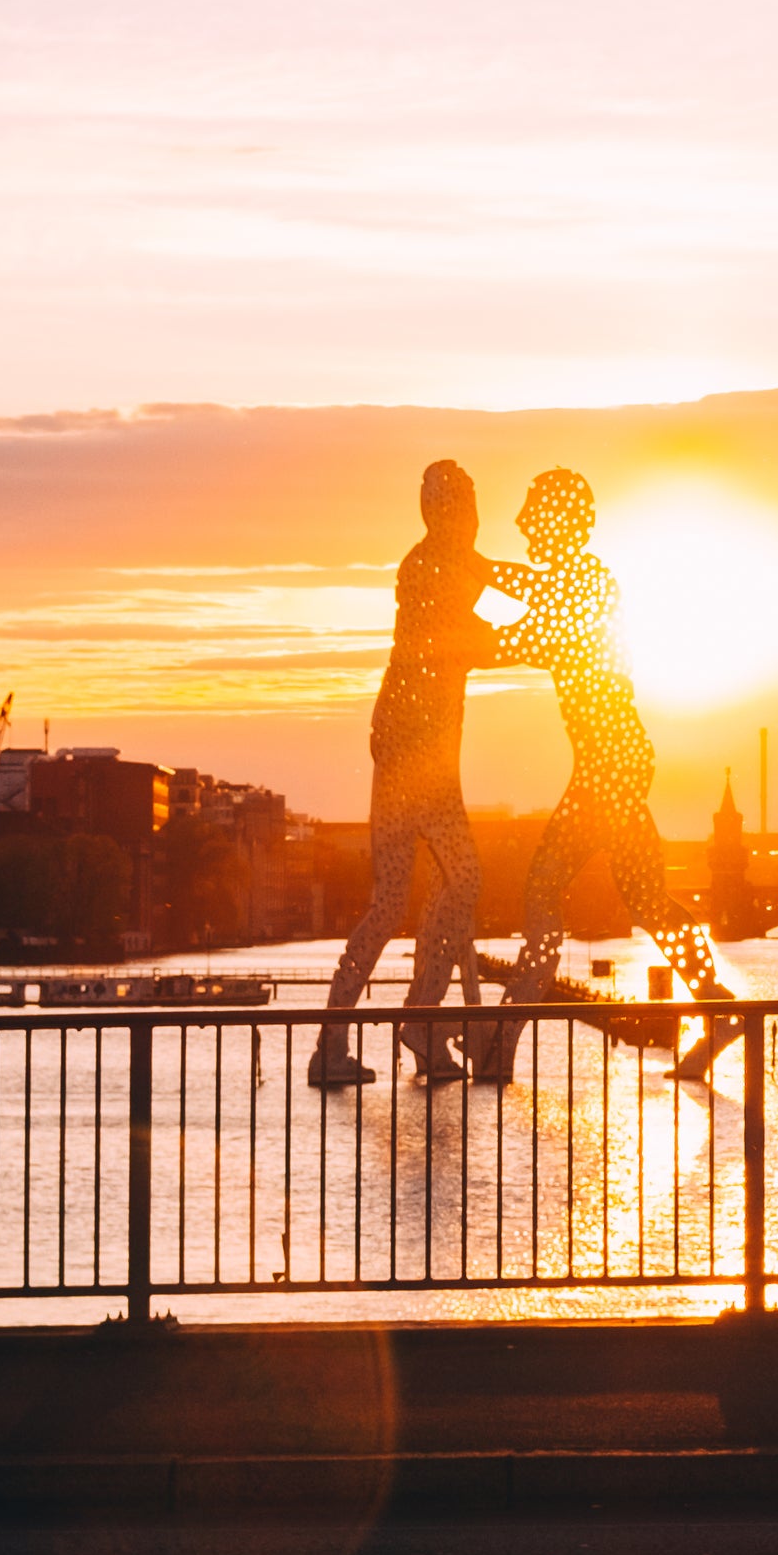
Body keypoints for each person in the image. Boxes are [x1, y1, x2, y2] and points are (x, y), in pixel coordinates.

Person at [473, 467, 737, 1081]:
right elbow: (526, 593)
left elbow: (521, 635)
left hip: (608, 765)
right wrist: (477, 574)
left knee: (542, 891)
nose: (521, 522)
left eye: (532, 512)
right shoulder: (571, 581)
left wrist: (466, 594)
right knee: (645, 897)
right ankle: (718, 1005)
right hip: (614, 760)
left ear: (559, 521)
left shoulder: (585, 583)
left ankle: (499, 1046)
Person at [308, 460, 523, 1090]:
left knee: (394, 902)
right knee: (461, 879)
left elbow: (500, 580)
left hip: (408, 757)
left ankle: (344, 1039)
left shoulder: (439, 562)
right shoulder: (435, 569)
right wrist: (558, 629)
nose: (473, 519)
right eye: (465, 507)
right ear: (444, 512)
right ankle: (418, 1021)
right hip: (418, 764)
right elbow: (476, 640)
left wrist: (551, 597)